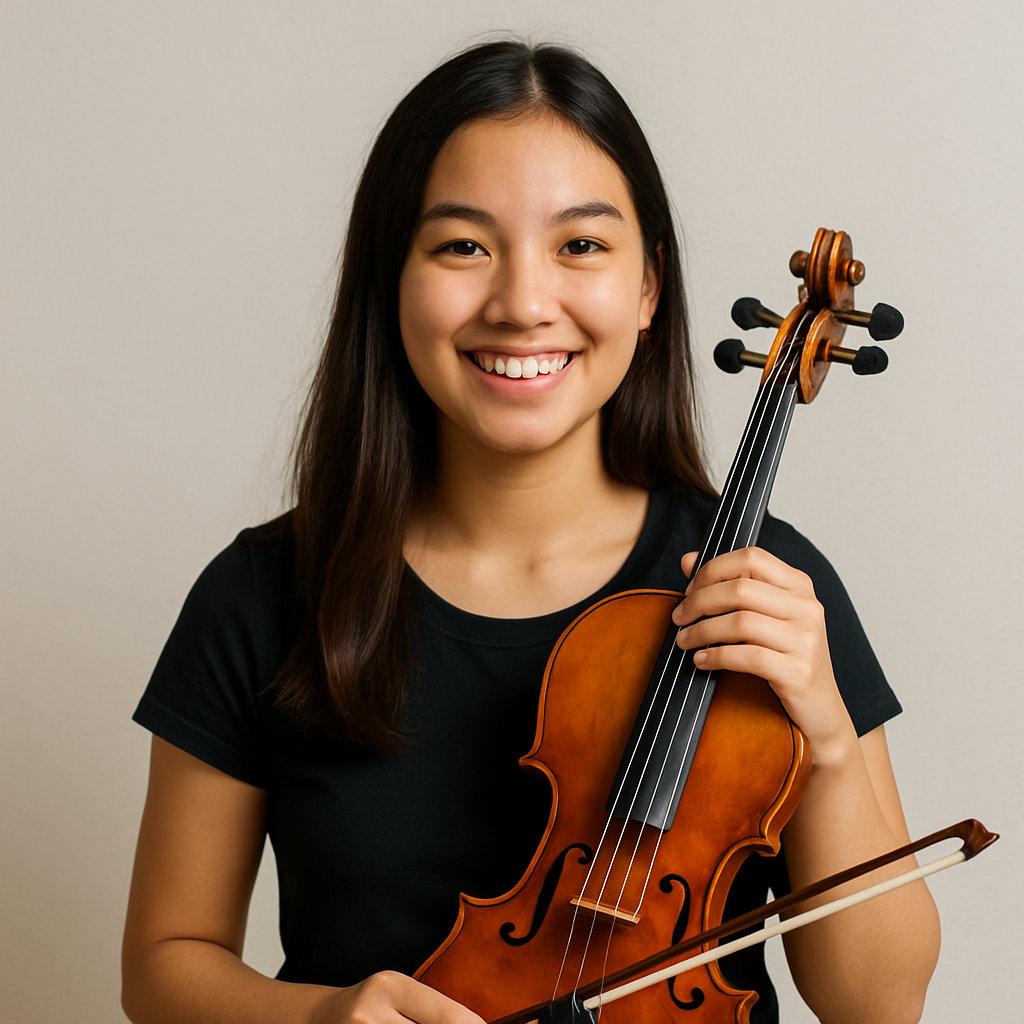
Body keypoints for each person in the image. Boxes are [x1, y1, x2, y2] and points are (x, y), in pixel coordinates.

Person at [121, 40, 940, 1024]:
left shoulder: (763, 582)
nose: (520, 303)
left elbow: (880, 1006)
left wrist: (830, 741)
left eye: (580, 246)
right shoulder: (262, 593)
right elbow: (162, 967)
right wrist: (316, 1018)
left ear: (647, 289)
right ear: (392, 277)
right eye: (462, 245)